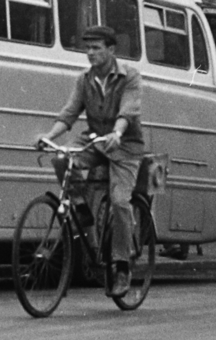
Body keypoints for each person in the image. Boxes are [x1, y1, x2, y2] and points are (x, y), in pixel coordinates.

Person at [36, 24, 148, 296]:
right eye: (87, 48)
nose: (90, 53)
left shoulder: (129, 77)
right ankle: (81, 208)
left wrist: (118, 133)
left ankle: (122, 266)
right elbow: (70, 112)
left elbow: (128, 110)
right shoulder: (84, 80)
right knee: (61, 157)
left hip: (125, 146)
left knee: (120, 202)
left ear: (111, 50)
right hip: (96, 140)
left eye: (96, 48)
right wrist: (49, 135)